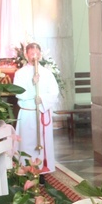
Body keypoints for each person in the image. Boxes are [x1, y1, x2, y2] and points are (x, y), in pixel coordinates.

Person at [14, 43, 59, 173]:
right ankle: (25, 170)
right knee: (27, 143)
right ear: (26, 55)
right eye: (32, 53)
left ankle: (41, 171)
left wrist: (43, 99)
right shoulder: (20, 73)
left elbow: (54, 92)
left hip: (41, 112)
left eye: (37, 53)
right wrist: (32, 84)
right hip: (28, 114)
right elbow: (19, 92)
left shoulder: (47, 73)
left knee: (42, 146)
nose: (35, 56)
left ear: (40, 54)